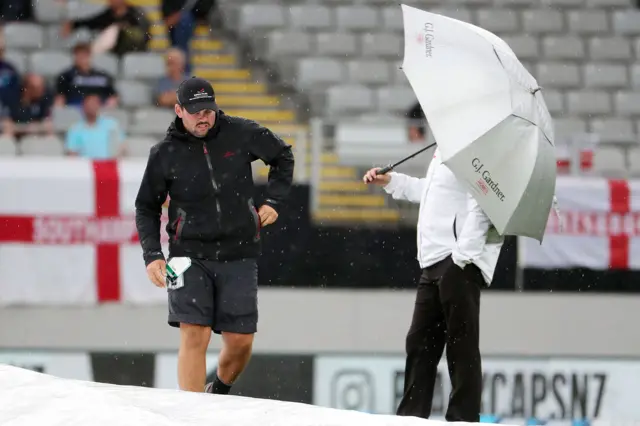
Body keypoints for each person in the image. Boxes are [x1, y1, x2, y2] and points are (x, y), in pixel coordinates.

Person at [134, 77, 294, 394]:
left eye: (208, 109)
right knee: (194, 333)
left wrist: (274, 200)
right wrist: (153, 255)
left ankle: (217, 391)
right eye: (195, 111)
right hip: (184, 256)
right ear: (178, 110)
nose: (203, 116)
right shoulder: (164, 153)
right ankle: (193, 415)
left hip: (240, 253)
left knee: (240, 343)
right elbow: (145, 208)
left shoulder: (241, 132)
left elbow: (282, 156)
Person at [363, 148, 504, 422]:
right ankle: (412, 417)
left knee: (461, 345)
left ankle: (463, 418)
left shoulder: (476, 149)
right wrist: (392, 181)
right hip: (433, 261)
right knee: (419, 342)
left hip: (457, 262)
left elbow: (484, 203)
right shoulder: (446, 148)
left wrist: (462, 257)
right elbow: (432, 192)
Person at [55, 42, 118, 108]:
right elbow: (60, 99)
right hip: (75, 110)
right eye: (79, 54)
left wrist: (107, 109)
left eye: (85, 54)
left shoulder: (103, 76)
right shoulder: (66, 76)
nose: (82, 57)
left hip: (99, 111)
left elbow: (113, 97)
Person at [64, 94, 125, 159]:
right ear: (83, 107)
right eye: (89, 105)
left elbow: (121, 147)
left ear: (99, 106)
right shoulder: (75, 129)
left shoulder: (112, 125)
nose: (91, 107)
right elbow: (72, 153)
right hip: (84, 167)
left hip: (108, 165)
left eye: (94, 104)